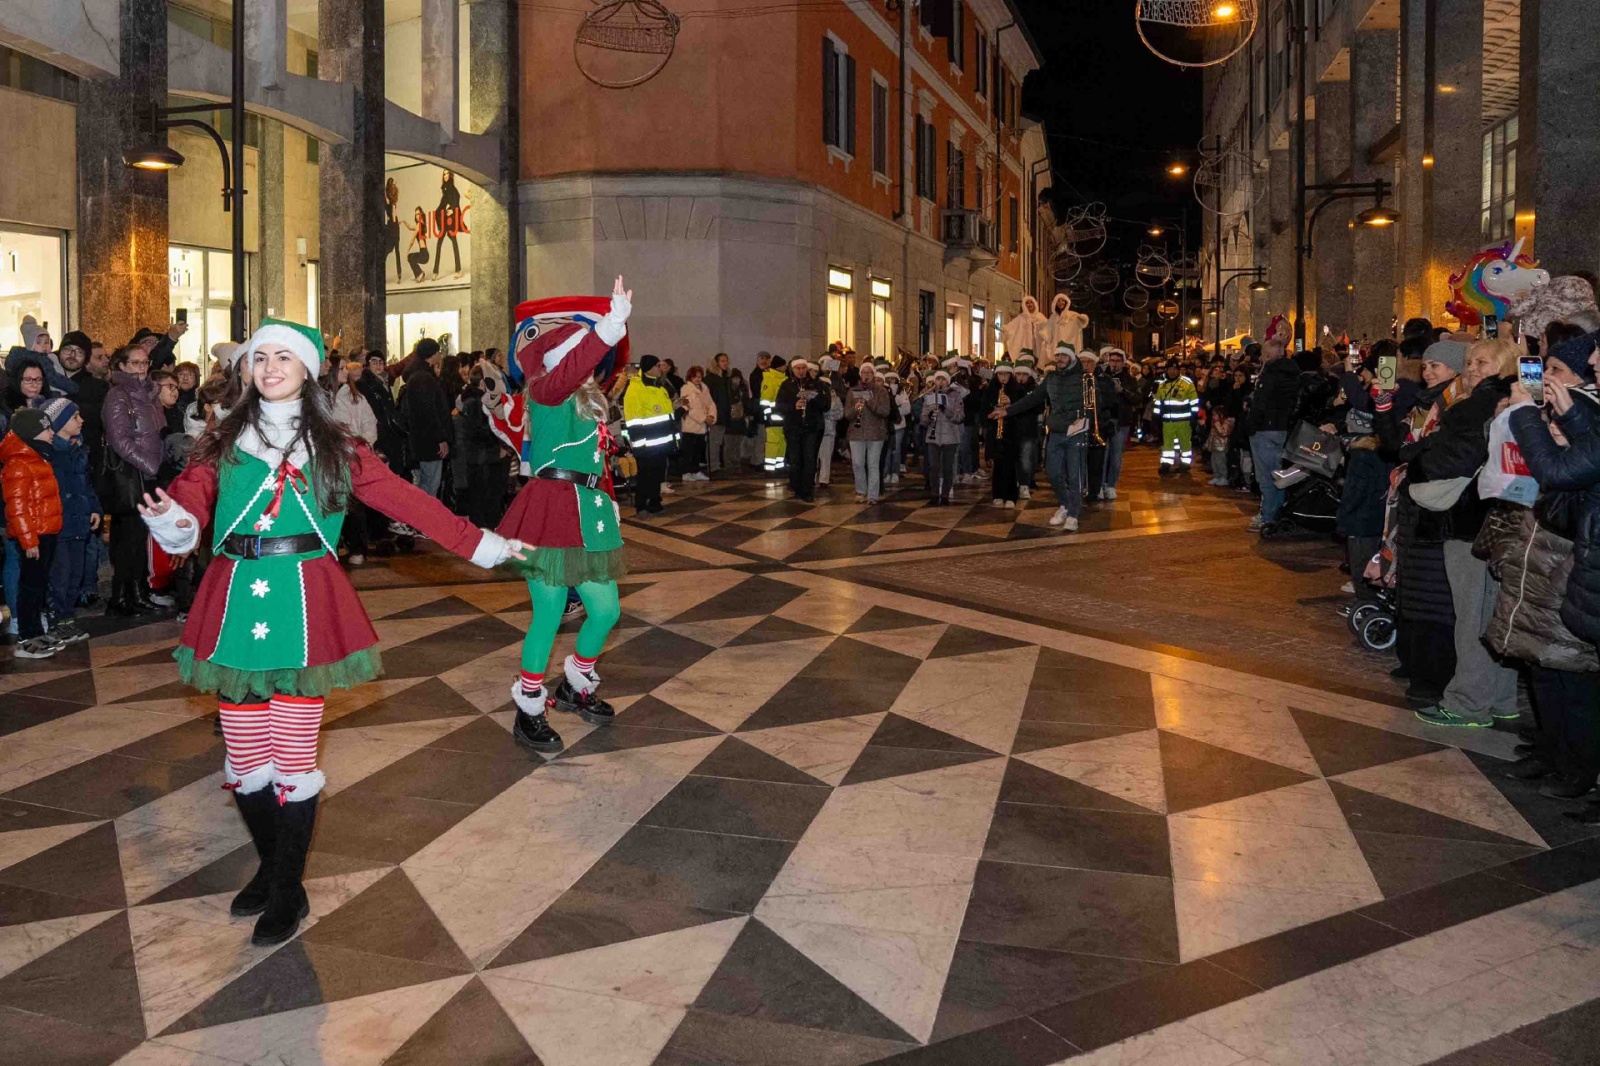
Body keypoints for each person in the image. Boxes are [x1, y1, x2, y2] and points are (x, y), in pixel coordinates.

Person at [139, 318, 520, 946]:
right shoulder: (223, 440)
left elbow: (408, 501)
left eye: (283, 357)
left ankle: (285, 891)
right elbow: (191, 501)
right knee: (244, 760)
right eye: (259, 357)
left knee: (292, 763)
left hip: (305, 605)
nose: (269, 367)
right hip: (234, 601)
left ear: (309, 369)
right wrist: (173, 523)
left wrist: (481, 544)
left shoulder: (338, 446)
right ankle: (276, 869)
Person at [495, 279, 633, 755]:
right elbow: (573, 366)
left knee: (607, 611)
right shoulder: (546, 391)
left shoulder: (584, 401)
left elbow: (596, 460)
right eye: (581, 358)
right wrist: (611, 324)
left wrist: (608, 497)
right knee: (549, 615)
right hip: (549, 510)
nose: (590, 367)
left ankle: (575, 683)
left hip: (590, 512)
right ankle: (529, 709)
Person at [1508, 331, 1600, 814]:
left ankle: (1578, 765)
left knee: (1574, 674)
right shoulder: (1581, 416)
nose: (1549, 382)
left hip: (1575, 557)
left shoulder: (1586, 414)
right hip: (1554, 552)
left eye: (1558, 372)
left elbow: (1560, 474)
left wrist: (1530, 416)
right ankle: (1557, 751)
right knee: (1543, 662)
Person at [1407, 339, 1517, 728]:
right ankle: (1502, 696)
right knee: (1495, 613)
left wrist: (1418, 463)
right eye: (1469, 362)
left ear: (1505, 365)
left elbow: (1452, 458)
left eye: (1482, 362)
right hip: (1504, 521)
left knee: (1471, 615)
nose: (1471, 369)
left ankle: (1468, 701)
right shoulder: (1517, 405)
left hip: (1471, 521)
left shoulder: (1475, 407)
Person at [103, 344, 165, 615]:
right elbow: (119, 439)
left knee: (141, 538)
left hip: (149, 474)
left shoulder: (150, 394)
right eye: (136, 363)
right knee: (129, 537)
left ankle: (138, 591)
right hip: (132, 475)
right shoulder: (118, 395)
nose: (142, 368)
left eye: (145, 362)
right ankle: (122, 596)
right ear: (123, 366)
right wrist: (147, 462)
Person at [1006, 341, 1090, 530]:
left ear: (1071, 358)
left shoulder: (1084, 378)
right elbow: (1033, 398)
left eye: (1063, 355)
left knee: (1074, 475)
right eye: (1057, 355)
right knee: (1053, 473)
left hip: (1076, 432)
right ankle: (1065, 505)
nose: (1059, 359)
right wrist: (1008, 411)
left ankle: (1073, 514)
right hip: (1056, 432)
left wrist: (1084, 421)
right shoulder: (1051, 378)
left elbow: (1094, 404)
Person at [2, 408, 64, 658]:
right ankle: (27, 638)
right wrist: (29, 540)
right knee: (30, 587)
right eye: (46, 428)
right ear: (31, 432)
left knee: (38, 585)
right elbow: (16, 508)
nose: (52, 433)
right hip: (33, 536)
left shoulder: (37, 456)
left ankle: (37, 632)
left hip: (44, 531)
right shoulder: (18, 463)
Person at [40, 399, 99, 645]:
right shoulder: (51, 454)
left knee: (76, 573)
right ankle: (56, 621)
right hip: (60, 525)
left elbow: (86, 485)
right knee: (60, 576)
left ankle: (67, 619)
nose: (81, 420)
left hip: (78, 522)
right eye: (75, 417)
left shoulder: (79, 450)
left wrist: (94, 507)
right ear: (60, 423)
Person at [1246, 322, 1302, 531]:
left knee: (1267, 476)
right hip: (1279, 428)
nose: (1261, 358)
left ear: (1268, 356)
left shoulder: (1271, 373)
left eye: (1263, 354)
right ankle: (1275, 511)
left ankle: (1268, 515)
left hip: (1264, 429)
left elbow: (1261, 402)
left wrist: (1250, 425)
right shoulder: (1290, 373)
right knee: (1277, 473)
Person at [332, 359, 379, 564]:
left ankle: (357, 548)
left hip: (353, 454)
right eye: (341, 368)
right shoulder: (325, 396)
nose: (346, 372)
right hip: (333, 455)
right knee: (335, 503)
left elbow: (370, 421)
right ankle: (335, 545)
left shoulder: (354, 395)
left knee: (354, 502)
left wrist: (362, 443)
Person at [624, 354, 676, 515]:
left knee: (657, 473)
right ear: (649, 368)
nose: (661, 369)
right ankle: (641, 506)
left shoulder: (659, 387)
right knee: (645, 475)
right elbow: (633, 419)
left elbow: (665, 415)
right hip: (646, 443)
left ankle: (655, 502)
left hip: (661, 442)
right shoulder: (636, 388)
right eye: (657, 366)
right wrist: (639, 444)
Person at [401, 338, 452, 503]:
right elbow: (429, 412)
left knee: (429, 481)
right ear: (433, 354)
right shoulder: (423, 378)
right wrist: (440, 438)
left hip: (424, 439)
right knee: (430, 484)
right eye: (438, 352)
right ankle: (424, 521)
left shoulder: (420, 375)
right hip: (428, 441)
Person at [776, 357, 827, 501]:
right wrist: (793, 406)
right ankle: (797, 487)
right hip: (793, 428)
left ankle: (807, 490)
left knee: (809, 459)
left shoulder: (816, 384)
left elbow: (825, 405)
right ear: (792, 370)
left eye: (803, 368)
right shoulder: (787, 385)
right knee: (795, 459)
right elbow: (778, 406)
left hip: (811, 427)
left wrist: (814, 398)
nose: (801, 371)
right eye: (798, 368)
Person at [845, 359, 892, 504]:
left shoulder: (881, 391)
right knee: (858, 463)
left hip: (876, 433)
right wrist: (855, 408)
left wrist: (869, 402)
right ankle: (861, 490)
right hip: (856, 432)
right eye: (864, 372)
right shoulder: (852, 391)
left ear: (873, 374)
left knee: (873, 464)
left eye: (869, 372)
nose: (867, 375)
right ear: (860, 374)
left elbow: (885, 412)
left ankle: (873, 495)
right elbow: (847, 414)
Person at [921, 360, 965, 505]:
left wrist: (945, 410)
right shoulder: (929, 396)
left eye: (943, 379)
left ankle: (945, 495)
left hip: (950, 437)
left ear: (948, 381)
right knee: (933, 466)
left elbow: (959, 417)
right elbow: (923, 419)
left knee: (947, 467)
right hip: (933, 437)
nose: (940, 382)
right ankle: (934, 495)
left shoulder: (955, 395)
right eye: (938, 379)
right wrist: (928, 417)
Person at [1152, 361, 1199, 476]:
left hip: (1184, 420)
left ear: (1178, 370)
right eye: (1169, 369)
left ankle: (1185, 463)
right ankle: (1166, 464)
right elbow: (1158, 401)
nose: (1172, 371)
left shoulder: (1187, 383)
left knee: (1185, 443)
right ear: (1166, 370)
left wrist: (1194, 416)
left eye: (1174, 369)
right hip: (1167, 421)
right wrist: (1156, 416)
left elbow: (1194, 401)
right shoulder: (1162, 384)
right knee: (1167, 444)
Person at [677, 365, 716, 482]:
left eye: (699, 377)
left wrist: (712, 416)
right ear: (690, 377)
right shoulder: (685, 389)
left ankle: (695, 471)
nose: (698, 379)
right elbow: (689, 407)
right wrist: (704, 418)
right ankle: (686, 472)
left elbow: (711, 403)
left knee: (698, 450)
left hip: (702, 425)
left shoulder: (704, 388)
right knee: (688, 450)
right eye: (695, 377)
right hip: (691, 424)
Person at [705, 353, 734, 474]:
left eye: (726, 361)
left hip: (722, 414)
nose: (725, 363)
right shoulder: (712, 379)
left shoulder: (724, 378)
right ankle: (713, 466)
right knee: (714, 442)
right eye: (722, 361)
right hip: (716, 415)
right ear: (716, 363)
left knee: (718, 441)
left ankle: (715, 465)